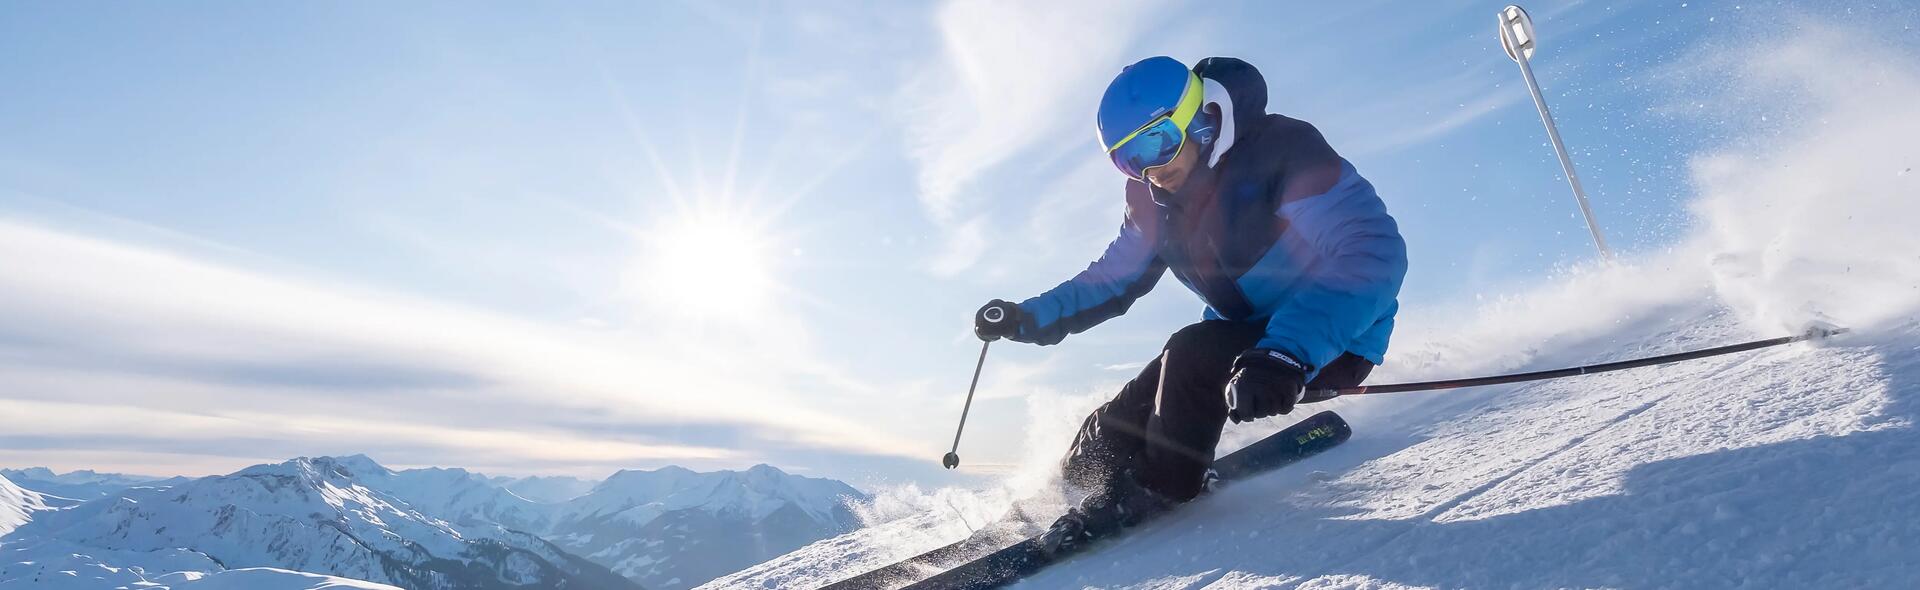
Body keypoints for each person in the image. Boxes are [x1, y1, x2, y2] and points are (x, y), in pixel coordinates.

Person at [972, 56, 1408, 553]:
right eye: (1128, 157)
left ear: (1199, 116)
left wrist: (1288, 352)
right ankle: (1074, 486)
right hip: (1243, 343)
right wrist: (1026, 317)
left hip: (1331, 340)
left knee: (1190, 354)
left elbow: (1371, 251)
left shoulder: (1281, 149)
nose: (1150, 168)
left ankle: (1159, 486)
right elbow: (1109, 280)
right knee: (1122, 414)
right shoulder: (1153, 200)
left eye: (1156, 141)